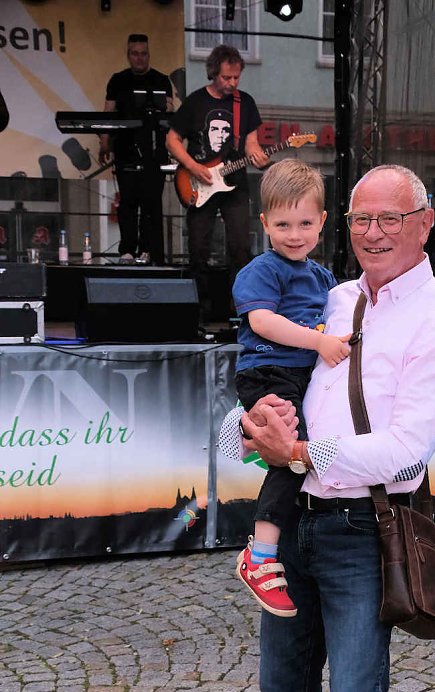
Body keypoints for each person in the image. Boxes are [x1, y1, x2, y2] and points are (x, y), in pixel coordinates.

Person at [220, 165, 435, 692]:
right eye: (362, 218)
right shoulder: (329, 299)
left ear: (425, 223)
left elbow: (401, 453)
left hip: (362, 532)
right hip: (294, 523)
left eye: (389, 218)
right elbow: (257, 415)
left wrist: (296, 450)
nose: (372, 232)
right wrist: (249, 429)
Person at [233, 159, 351, 618]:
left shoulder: (323, 278)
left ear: (323, 222)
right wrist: (319, 341)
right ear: (265, 224)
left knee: (295, 458)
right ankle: (259, 556)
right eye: (283, 224)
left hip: (300, 379)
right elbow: (262, 322)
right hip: (268, 373)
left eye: (305, 223)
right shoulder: (262, 270)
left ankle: (246, 440)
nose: (295, 234)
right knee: (289, 457)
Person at [166, 45, 269, 314]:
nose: (232, 83)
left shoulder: (244, 103)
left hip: (234, 183)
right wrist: (192, 166)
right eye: (226, 78)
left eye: (236, 78)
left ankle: (240, 310)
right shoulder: (196, 102)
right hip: (198, 181)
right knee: (198, 247)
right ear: (213, 73)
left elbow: (251, 144)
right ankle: (199, 310)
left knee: (241, 247)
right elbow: (172, 139)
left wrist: (258, 156)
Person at [99, 34, 173, 265]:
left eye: (144, 53)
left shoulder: (161, 80)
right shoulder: (118, 80)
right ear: (128, 55)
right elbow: (108, 113)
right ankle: (127, 251)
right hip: (126, 150)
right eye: (135, 53)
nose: (139, 58)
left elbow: (170, 112)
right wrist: (104, 142)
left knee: (151, 202)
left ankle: (147, 250)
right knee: (128, 201)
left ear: (148, 55)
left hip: (154, 151)